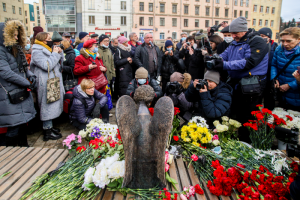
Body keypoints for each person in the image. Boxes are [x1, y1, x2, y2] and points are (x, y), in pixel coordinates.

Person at [209, 17, 269, 143]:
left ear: (244, 30)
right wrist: (214, 60)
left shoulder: (257, 41)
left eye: (235, 33)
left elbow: (249, 62)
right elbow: (224, 55)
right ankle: (236, 141)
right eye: (232, 33)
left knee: (247, 118)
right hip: (238, 85)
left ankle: (247, 143)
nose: (233, 36)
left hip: (251, 87)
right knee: (236, 115)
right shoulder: (236, 42)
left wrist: (225, 65)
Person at [0, 20, 37, 146]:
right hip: (8, 94)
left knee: (21, 124)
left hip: (19, 91)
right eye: (14, 35)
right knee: (13, 126)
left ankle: (23, 148)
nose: (16, 38)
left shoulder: (16, 49)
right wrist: (26, 83)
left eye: (17, 35)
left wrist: (31, 76)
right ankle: (11, 153)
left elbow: (24, 67)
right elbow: (6, 73)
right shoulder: (1, 51)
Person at [31, 32, 65, 141]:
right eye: (49, 38)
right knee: (47, 106)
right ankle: (47, 130)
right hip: (45, 83)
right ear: (43, 40)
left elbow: (59, 63)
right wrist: (55, 54)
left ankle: (50, 127)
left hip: (52, 81)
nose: (51, 40)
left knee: (53, 105)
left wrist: (60, 52)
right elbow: (47, 66)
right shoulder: (37, 51)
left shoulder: (47, 48)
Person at [271, 27, 300, 111]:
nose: (285, 44)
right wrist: (274, 78)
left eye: (288, 41)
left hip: (295, 95)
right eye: (282, 41)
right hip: (279, 91)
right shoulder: (279, 49)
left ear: (298, 39)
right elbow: (274, 65)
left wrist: (290, 85)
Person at [258, 27, 279, 110]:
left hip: (270, 74)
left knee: (269, 97)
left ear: (269, 37)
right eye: (259, 36)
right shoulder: (257, 45)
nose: (261, 38)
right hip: (260, 76)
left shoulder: (275, 47)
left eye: (263, 36)